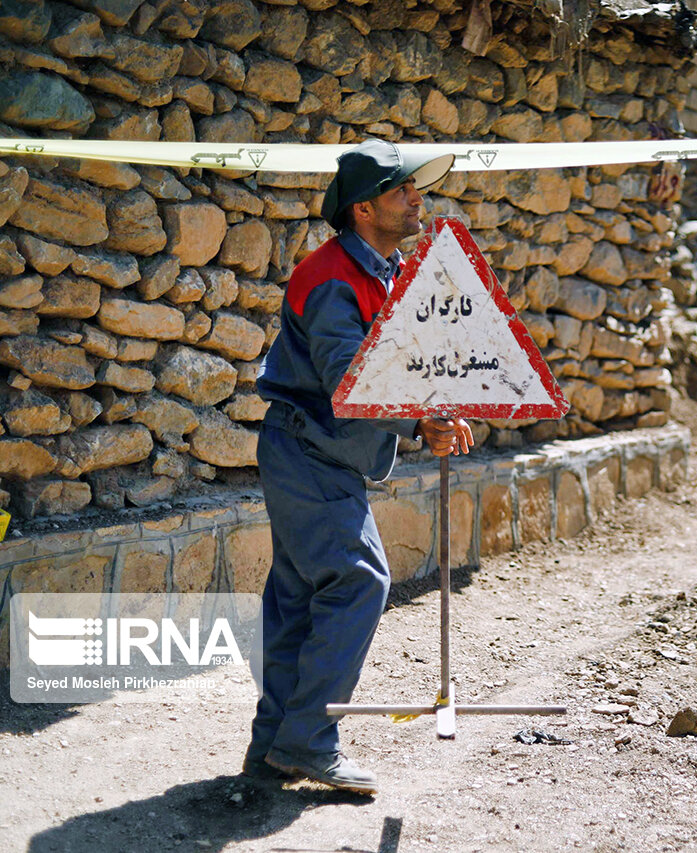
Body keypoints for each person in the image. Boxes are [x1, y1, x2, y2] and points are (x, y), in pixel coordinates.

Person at [244, 139, 474, 794]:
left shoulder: (386, 272)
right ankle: (309, 740)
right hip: (308, 450)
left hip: (319, 453)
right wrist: (415, 422)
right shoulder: (331, 280)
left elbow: (399, 359)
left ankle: (275, 744)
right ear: (365, 208)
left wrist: (435, 409)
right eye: (404, 190)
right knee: (359, 579)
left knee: (298, 598)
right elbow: (352, 380)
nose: (417, 198)